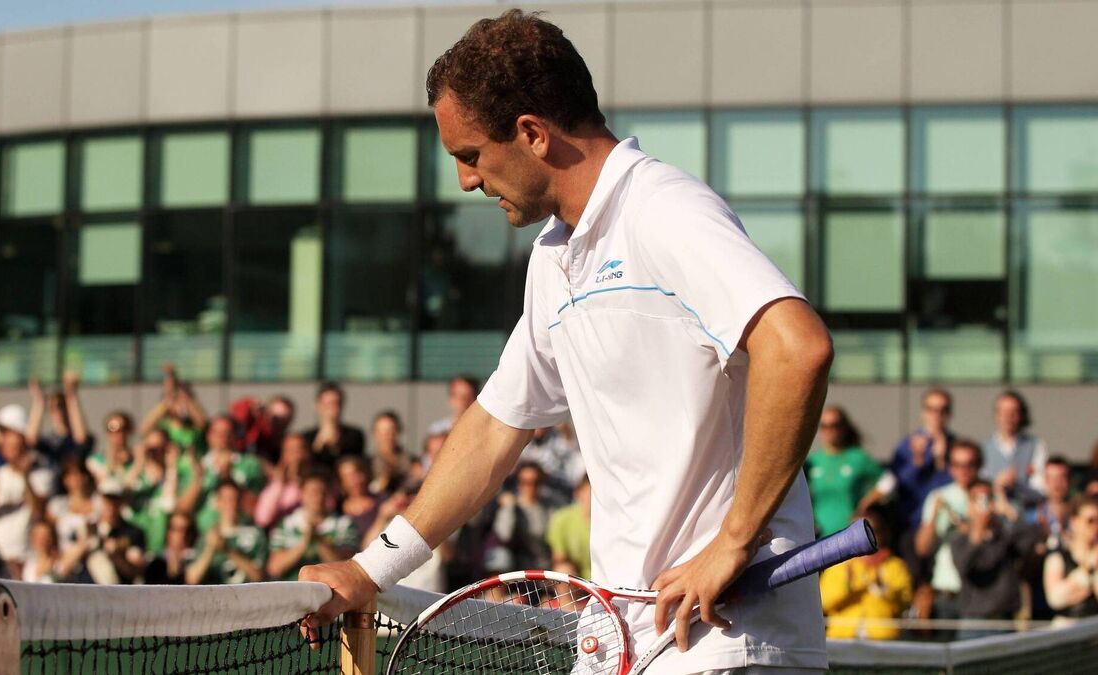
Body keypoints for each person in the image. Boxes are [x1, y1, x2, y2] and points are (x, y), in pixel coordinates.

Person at [300, 11, 835, 672]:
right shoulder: (555, 256)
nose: (466, 180)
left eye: (471, 155)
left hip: (725, 645)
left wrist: (733, 541)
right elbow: (494, 429)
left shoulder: (663, 209)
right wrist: (368, 569)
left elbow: (798, 347)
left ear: (532, 133)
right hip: (627, 643)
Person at [859, 389, 954, 583]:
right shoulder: (908, 445)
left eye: (942, 410)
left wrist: (941, 462)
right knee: (912, 578)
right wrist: (917, 462)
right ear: (923, 412)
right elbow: (897, 485)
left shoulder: (954, 446)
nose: (937, 415)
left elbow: (952, 488)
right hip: (910, 525)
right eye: (932, 409)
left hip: (944, 527)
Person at [948, 479, 1039, 639]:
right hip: (974, 623)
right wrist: (977, 533)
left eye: (987, 498)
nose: (983, 505)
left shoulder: (1005, 536)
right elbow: (963, 566)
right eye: (977, 500)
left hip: (1005, 620)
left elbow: (1032, 537)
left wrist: (1009, 511)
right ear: (969, 505)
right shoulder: (959, 539)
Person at [0, 404, 56, 578]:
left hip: (25, 557)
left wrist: (26, 478)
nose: (8, 446)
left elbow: (39, 512)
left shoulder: (41, 474)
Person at [914, 440, 983, 633]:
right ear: (950, 467)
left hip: (979, 594)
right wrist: (935, 515)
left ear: (979, 465)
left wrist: (964, 522)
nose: (964, 471)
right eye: (958, 465)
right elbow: (922, 548)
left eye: (970, 464)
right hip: (946, 592)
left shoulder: (987, 494)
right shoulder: (939, 496)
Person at [820, 508, 912, 640]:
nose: (863, 537)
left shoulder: (895, 566)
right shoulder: (838, 565)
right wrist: (848, 586)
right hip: (842, 638)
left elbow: (904, 604)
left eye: (871, 530)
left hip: (882, 640)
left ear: (882, 533)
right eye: (855, 533)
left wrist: (885, 590)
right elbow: (823, 603)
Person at [805, 406, 883, 536]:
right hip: (819, 536)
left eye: (835, 425)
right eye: (824, 426)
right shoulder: (812, 461)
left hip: (851, 534)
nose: (829, 431)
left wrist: (866, 503)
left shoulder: (857, 457)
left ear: (844, 427)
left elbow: (888, 481)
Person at [267, 471, 358, 581]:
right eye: (313, 492)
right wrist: (303, 544)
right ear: (302, 494)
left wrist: (319, 541)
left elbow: (346, 567)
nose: (319, 497)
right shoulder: (286, 524)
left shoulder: (344, 524)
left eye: (323, 492)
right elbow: (274, 568)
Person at [185, 480, 266, 585]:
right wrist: (210, 549)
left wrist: (228, 550)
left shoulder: (254, 534)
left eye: (234, 499)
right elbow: (192, 579)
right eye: (226, 499)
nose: (230, 504)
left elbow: (258, 576)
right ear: (218, 502)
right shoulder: (206, 537)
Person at [981, 390, 1047, 510]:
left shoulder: (1036, 446)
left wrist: (1018, 485)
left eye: (1013, 412)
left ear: (1022, 415)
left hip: (1026, 514)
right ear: (996, 415)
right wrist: (997, 486)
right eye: (1003, 412)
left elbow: (1041, 489)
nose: (1008, 417)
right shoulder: (983, 448)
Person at [1043, 495, 1098, 624]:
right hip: (1069, 627)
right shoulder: (1059, 556)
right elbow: (1055, 599)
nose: (1095, 526)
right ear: (1074, 521)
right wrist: (1086, 571)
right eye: (1090, 521)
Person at [26, 371, 92, 462]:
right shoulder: (49, 441)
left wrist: (72, 395)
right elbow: (31, 440)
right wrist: (39, 400)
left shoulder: (79, 438)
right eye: (52, 406)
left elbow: (81, 439)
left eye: (61, 405)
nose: (58, 410)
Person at [301, 382, 365, 470]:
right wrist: (318, 443)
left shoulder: (354, 435)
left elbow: (354, 463)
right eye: (329, 404)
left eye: (337, 403)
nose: (334, 408)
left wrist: (335, 446)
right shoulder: (306, 437)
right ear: (318, 405)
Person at [254, 432, 307, 529]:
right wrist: (280, 485)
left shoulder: (318, 482)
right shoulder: (275, 487)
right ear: (283, 456)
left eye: (300, 450)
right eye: (291, 451)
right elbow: (263, 519)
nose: (297, 456)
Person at [546, 474, 592, 579]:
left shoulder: (614, 520)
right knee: (563, 571)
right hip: (577, 579)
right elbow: (559, 558)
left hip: (608, 579)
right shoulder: (562, 518)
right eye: (590, 492)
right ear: (578, 492)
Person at [145, 512, 197, 585]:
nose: (183, 535)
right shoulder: (156, 563)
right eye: (178, 529)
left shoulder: (196, 558)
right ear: (168, 532)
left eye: (187, 530)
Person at [369, 411, 413, 495]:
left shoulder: (411, 461)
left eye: (391, 431)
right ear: (375, 434)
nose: (387, 436)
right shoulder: (367, 463)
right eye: (383, 432)